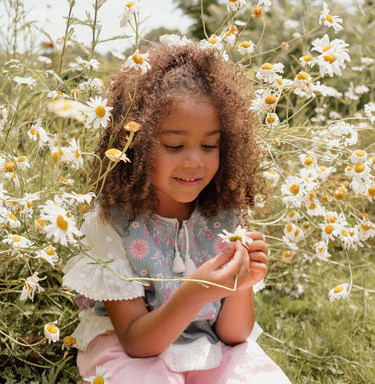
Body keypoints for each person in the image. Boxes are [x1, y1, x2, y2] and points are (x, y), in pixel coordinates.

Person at [63, 39, 291, 383]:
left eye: (210, 145)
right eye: (174, 145)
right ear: (134, 145)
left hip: (209, 344)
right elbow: (138, 343)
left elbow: (234, 335)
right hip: (133, 347)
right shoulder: (115, 223)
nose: (194, 160)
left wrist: (240, 284)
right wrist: (197, 290)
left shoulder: (224, 217)